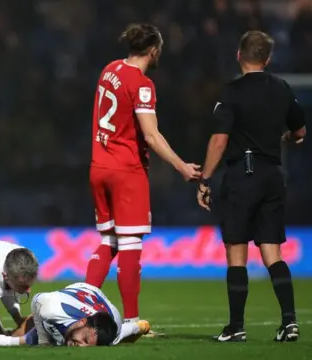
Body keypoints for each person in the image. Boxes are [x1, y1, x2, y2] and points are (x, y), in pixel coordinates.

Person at [85, 23, 201, 328]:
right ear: (153, 50)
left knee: (109, 240)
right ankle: (132, 322)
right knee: (130, 242)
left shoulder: (109, 69)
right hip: (126, 170)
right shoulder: (142, 84)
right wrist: (181, 166)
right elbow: (151, 136)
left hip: (99, 166)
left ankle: (81, 310)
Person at [196, 31, 305, 343]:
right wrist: (287, 138)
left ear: (238, 55)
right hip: (273, 175)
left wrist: (205, 179)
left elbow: (219, 140)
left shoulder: (231, 92)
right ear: (267, 59)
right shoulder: (282, 88)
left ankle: (236, 326)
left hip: (243, 175)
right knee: (273, 251)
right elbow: (300, 130)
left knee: (237, 252)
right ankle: (289, 323)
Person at [30, 282, 151, 346]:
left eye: (87, 345)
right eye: (85, 340)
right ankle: (140, 326)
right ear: (82, 322)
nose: (81, 346)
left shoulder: (109, 336)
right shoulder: (52, 309)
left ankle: (143, 325)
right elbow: (37, 299)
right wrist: (44, 341)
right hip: (85, 289)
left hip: (105, 312)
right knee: (120, 336)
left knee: (114, 339)